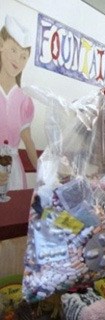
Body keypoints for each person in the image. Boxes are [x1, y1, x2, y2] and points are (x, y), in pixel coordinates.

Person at [0, 15, 37, 190]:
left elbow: (28, 142)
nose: (17, 60)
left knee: (12, 213)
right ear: (1, 45)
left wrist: (45, 177)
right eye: (13, 50)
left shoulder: (24, 100)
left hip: (13, 173)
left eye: (24, 56)